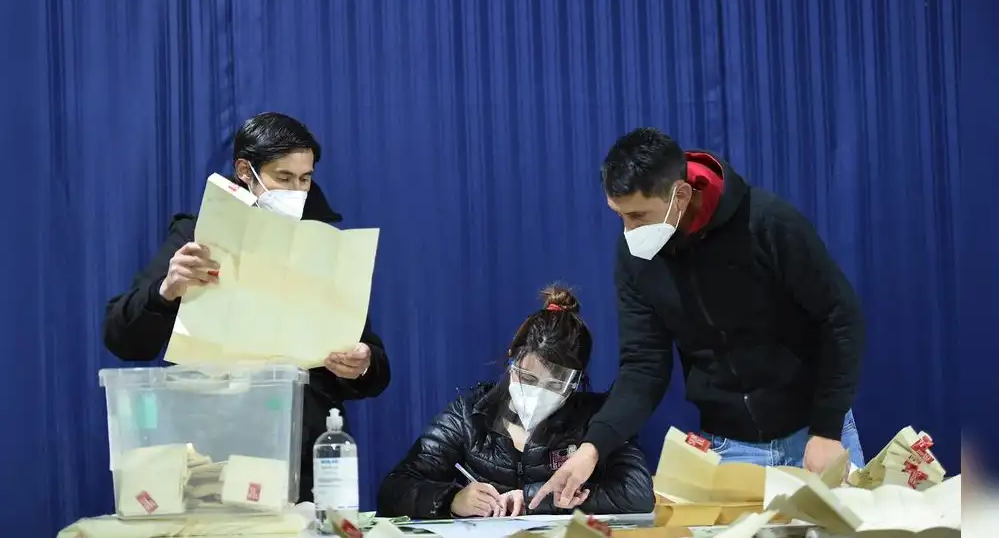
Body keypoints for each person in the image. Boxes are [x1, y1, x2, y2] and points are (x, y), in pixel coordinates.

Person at [531, 128, 866, 510]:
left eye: (638, 215)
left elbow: (841, 319)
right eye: (619, 216)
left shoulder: (769, 223)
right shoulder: (635, 258)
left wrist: (826, 429)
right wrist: (592, 448)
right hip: (731, 450)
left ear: (681, 195)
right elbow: (643, 368)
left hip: (817, 437)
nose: (628, 230)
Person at [103, 112, 391, 501]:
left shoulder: (323, 244)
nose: (296, 191)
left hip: (298, 447)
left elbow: (373, 362)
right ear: (245, 170)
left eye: (304, 179)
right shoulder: (196, 235)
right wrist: (166, 290)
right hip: (209, 448)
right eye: (283, 178)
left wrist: (363, 362)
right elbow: (122, 338)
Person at [377, 286, 655, 519]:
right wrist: (452, 499)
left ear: (576, 381)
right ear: (512, 359)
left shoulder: (598, 420)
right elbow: (394, 489)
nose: (538, 393)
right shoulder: (471, 415)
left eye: (555, 385)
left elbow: (637, 493)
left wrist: (533, 499)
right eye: (528, 377)